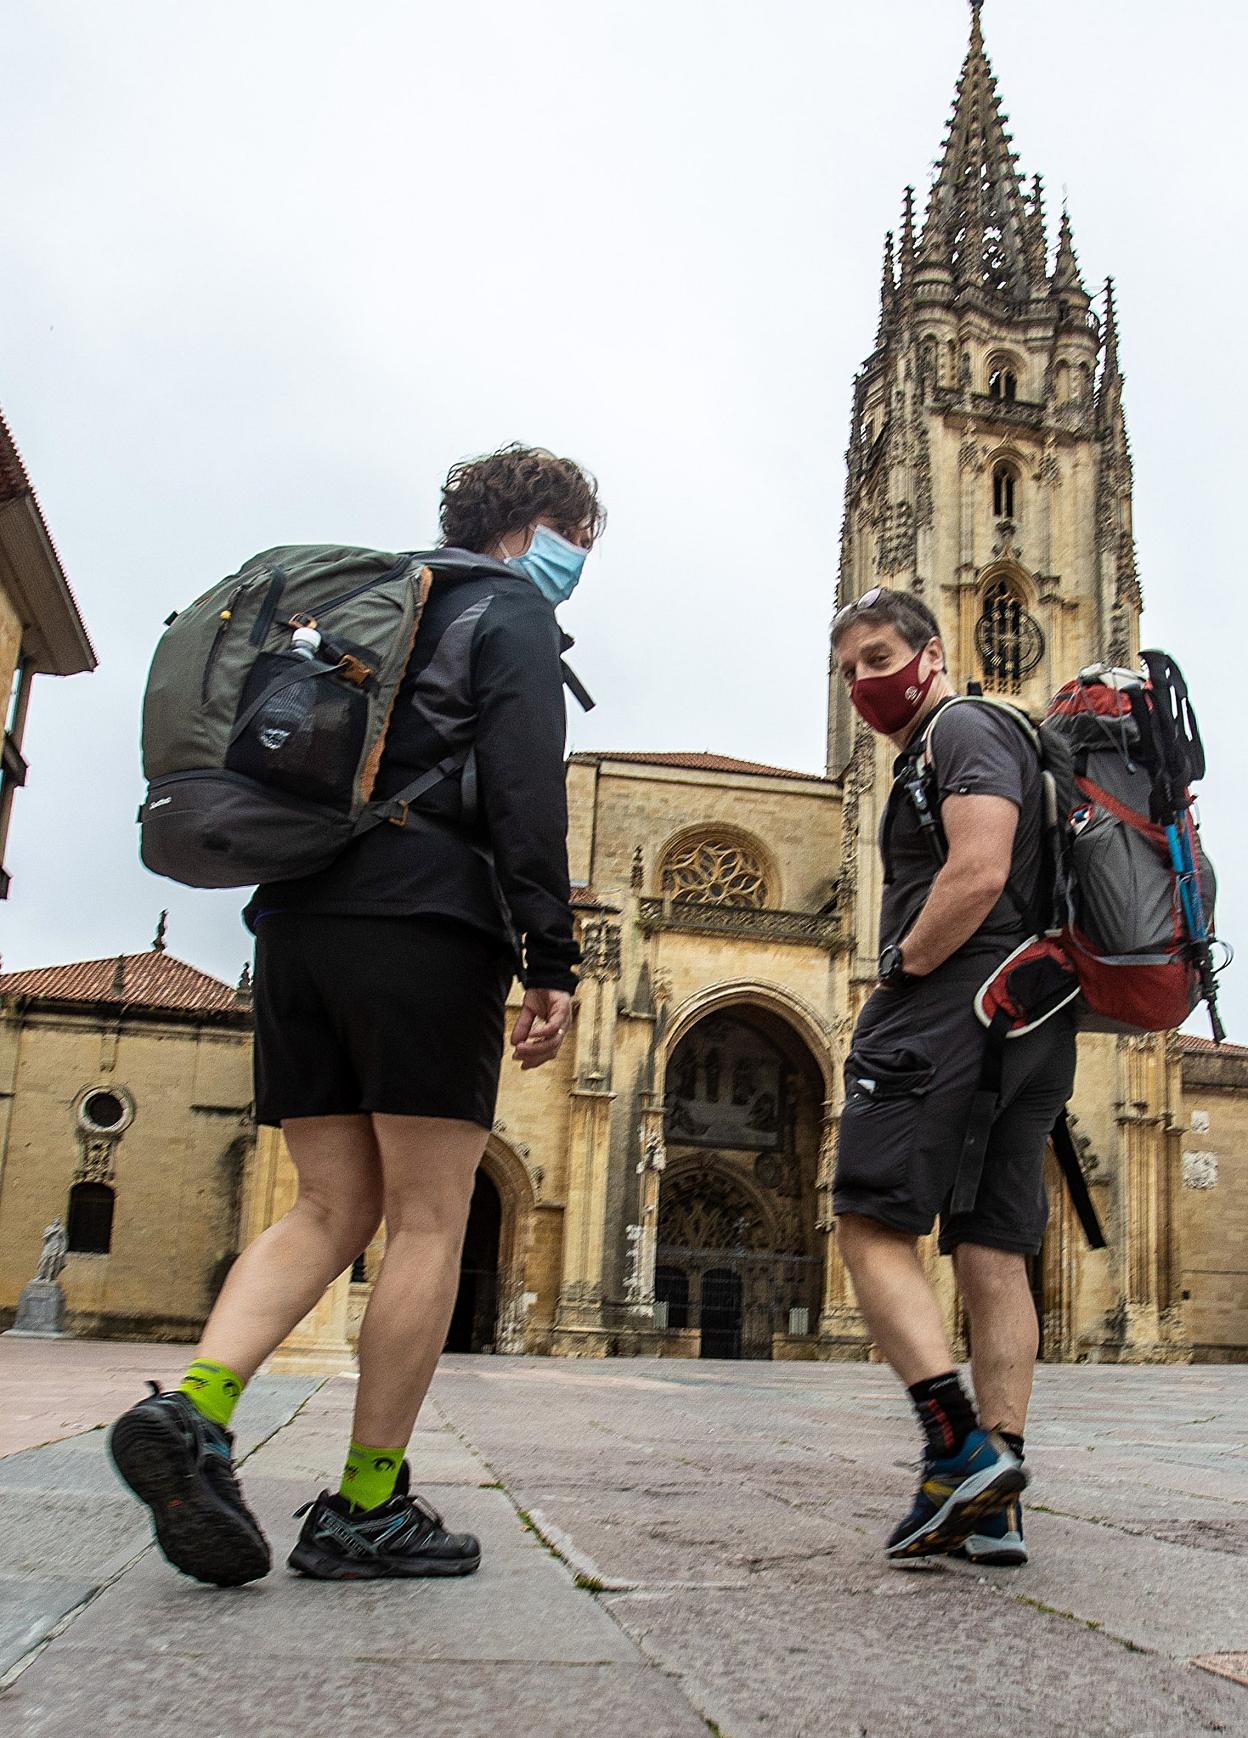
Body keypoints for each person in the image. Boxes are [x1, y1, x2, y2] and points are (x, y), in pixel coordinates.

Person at [109, 443, 604, 1586]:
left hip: (291, 919)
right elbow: (527, 798)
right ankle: (369, 1504)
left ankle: (197, 1409)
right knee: (430, 1219)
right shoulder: (508, 615)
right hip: (424, 925)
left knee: (327, 1203)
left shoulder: (373, 609)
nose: (579, 565)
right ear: (539, 527)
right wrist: (552, 957)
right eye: (579, 543)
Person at [830, 586, 1076, 1567]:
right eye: (848, 669)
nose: (865, 682)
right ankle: (996, 1498)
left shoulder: (965, 726)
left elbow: (975, 871)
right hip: (1032, 1020)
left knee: (868, 1221)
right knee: (994, 1246)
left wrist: (901, 969)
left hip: (953, 1008)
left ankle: (955, 1445)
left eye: (880, 656)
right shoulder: (1006, 735)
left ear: (932, 654)